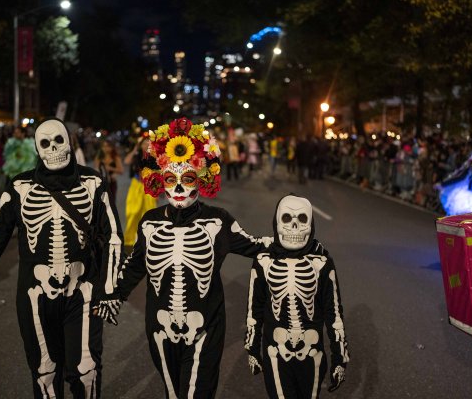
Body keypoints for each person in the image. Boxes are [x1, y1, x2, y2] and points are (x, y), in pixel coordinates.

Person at [0, 118, 123, 398]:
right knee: (44, 372)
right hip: (35, 296)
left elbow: (113, 235)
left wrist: (109, 289)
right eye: (45, 143)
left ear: (68, 143)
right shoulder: (20, 187)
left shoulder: (92, 183)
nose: (53, 148)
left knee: (86, 371)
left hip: (82, 292)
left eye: (58, 140)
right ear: (37, 149)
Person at [104, 117, 272, 398]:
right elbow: (135, 264)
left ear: (202, 178)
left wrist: (296, 245)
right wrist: (113, 294)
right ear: (160, 180)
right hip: (159, 327)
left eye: (188, 178)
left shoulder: (218, 221)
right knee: (173, 392)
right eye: (171, 179)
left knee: (196, 392)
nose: (179, 188)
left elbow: (255, 245)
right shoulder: (150, 221)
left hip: (206, 327)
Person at [244, 194, 349, 399]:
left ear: (311, 225)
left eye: (301, 219)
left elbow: (334, 313)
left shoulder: (322, 263)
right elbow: (254, 309)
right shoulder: (263, 262)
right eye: (286, 219)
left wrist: (340, 359)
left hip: (312, 354)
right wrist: (252, 348)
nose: (293, 226)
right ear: (276, 223)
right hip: (275, 351)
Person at [122, 136, 157, 249]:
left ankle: (148, 240)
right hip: (136, 185)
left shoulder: (155, 156)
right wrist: (134, 150)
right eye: (144, 143)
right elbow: (126, 161)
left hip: (150, 186)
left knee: (149, 213)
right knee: (133, 212)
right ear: (140, 145)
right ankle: (129, 240)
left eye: (149, 143)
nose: (146, 145)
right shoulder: (136, 155)